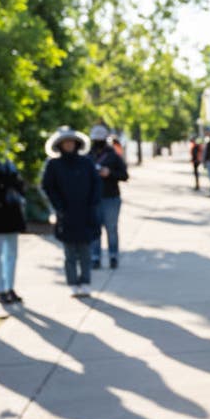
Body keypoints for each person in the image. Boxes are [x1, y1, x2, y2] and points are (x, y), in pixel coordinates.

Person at [42, 126, 101, 298]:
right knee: (69, 254)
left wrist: (92, 204)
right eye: (65, 142)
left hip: (85, 213)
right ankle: (73, 282)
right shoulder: (54, 165)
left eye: (71, 142)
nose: (69, 145)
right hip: (66, 214)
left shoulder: (86, 162)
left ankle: (85, 281)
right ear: (60, 145)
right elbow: (48, 187)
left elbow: (96, 184)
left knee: (85, 251)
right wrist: (59, 206)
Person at [88, 124, 128, 270]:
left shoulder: (113, 155)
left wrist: (109, 173)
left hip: (111, 198)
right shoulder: (88, 156)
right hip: (93, 199)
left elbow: (124, 175)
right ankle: (95, 257)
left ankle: (113, 256)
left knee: (111, 229)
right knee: (94, 229)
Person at [0, 158, 26, 305]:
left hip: (11, 218)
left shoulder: (11, 167)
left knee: (11, 254)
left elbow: (20, 188)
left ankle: (10, 287)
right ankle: (0, 289)